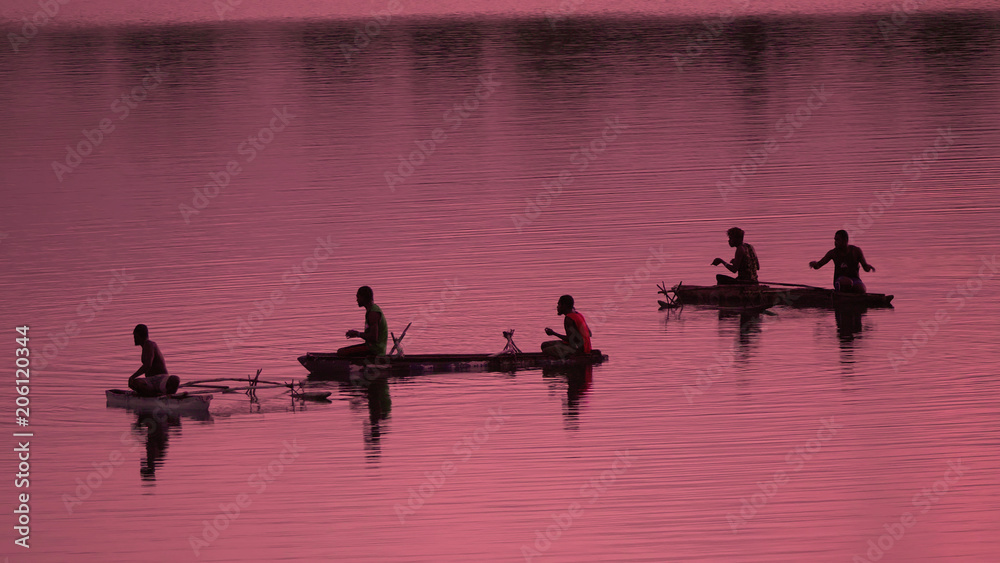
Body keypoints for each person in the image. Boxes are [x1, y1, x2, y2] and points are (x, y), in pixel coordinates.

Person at [809, 229, 875, 293]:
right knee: (848, 282)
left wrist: (869, 267)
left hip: (855, 280)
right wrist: (814, 264)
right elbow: (818, 265)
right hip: (840, 280)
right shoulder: (833, 253)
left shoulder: (856, 251)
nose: (835, 242)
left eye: (838, 240)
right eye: (835, 240)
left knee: (862, 289)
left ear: (845, 240)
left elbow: (865, 267)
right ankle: (840, 288)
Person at [128, 324, 180, 396]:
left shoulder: (149, 344)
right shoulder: (146, 346)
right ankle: (156, 395)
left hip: (161, 380)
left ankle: (155, 395)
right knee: (134, 383)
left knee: (175, 379)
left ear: (139, 335)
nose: (134, 338)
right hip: (151, 382)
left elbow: (147, 365)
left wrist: (132, 377)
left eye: (135, 336)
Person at [338, 286, 388, 357]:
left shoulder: (373, 313)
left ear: (364, 298)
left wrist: (357, 334)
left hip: (374, 349)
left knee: (341, 352)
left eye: (358, 297)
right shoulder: (372, 310)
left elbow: (374, 338)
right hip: (372, 347)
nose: (357, 300)